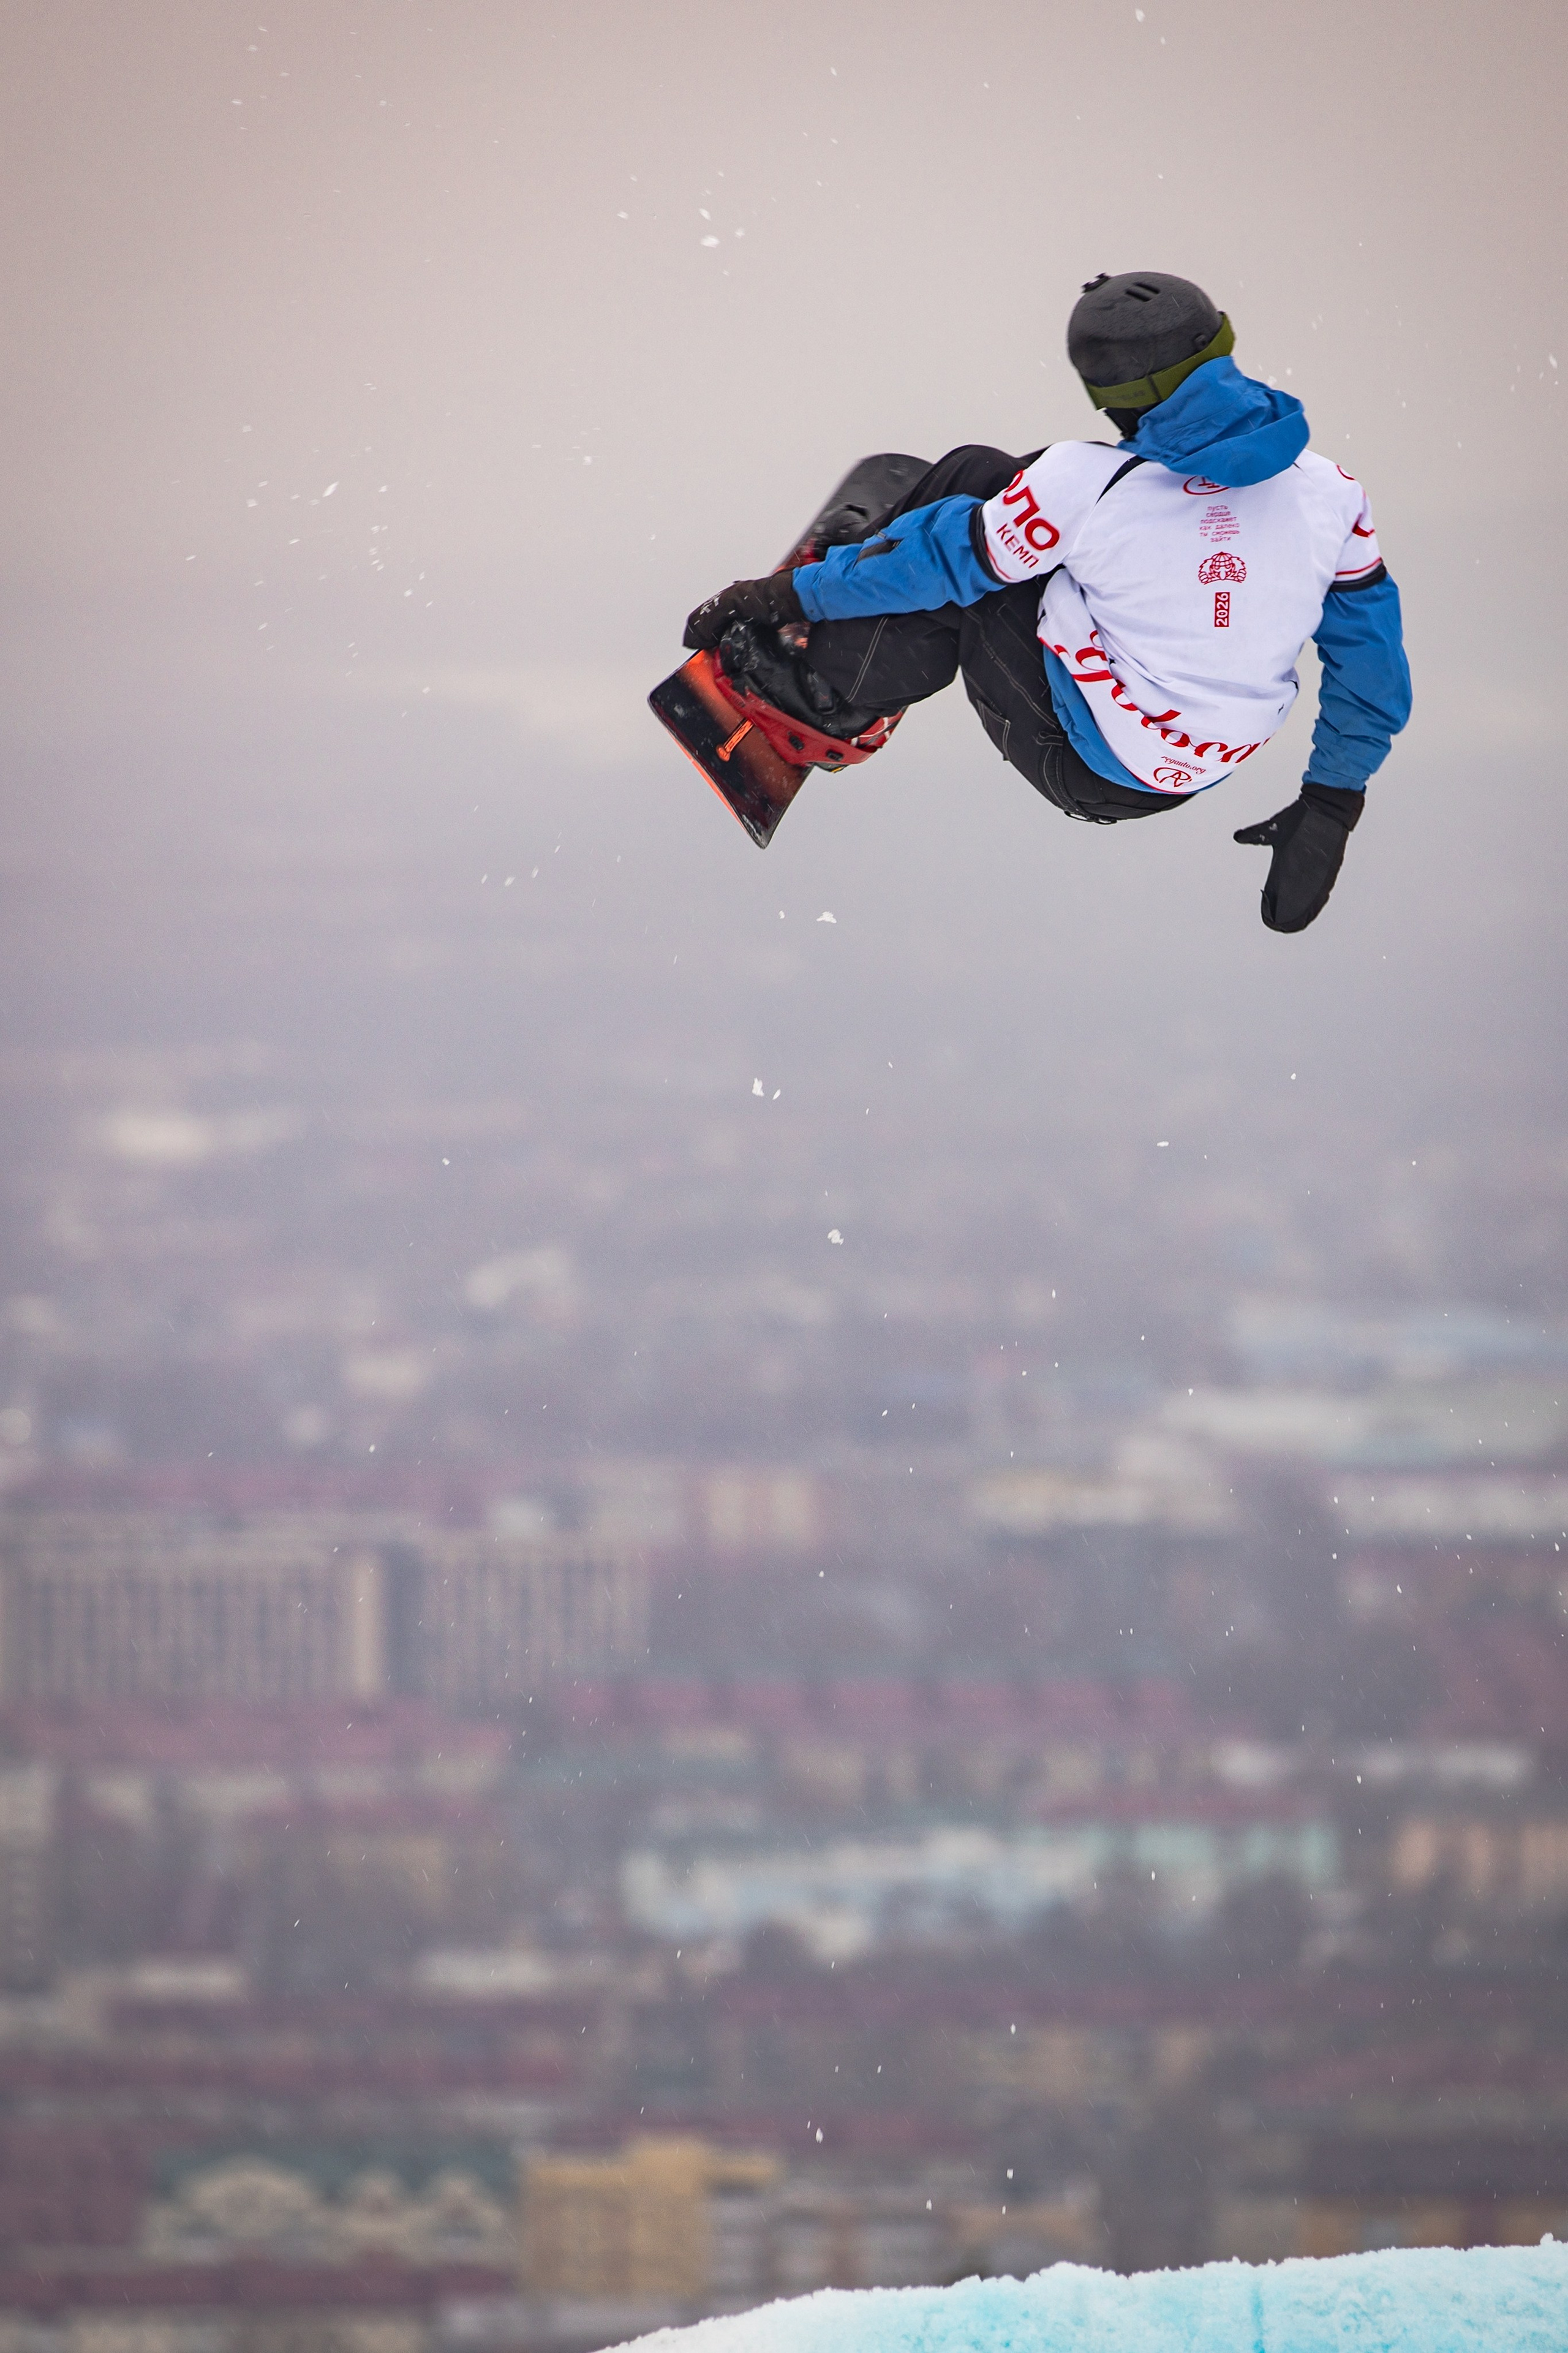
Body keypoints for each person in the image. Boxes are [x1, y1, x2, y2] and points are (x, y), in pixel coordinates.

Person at [683, 272, 1412, 933]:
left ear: (1108, 396)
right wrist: (1331, 805)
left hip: (1084, 763)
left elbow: (942, 565)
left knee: (972, 509)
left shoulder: (1087, 484)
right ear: (1221, 347)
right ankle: (876, 576)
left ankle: (826, 696)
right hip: (1199, 768)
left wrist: (781, 594)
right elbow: (1368, 663)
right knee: (1009, 495)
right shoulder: (1331, 492)